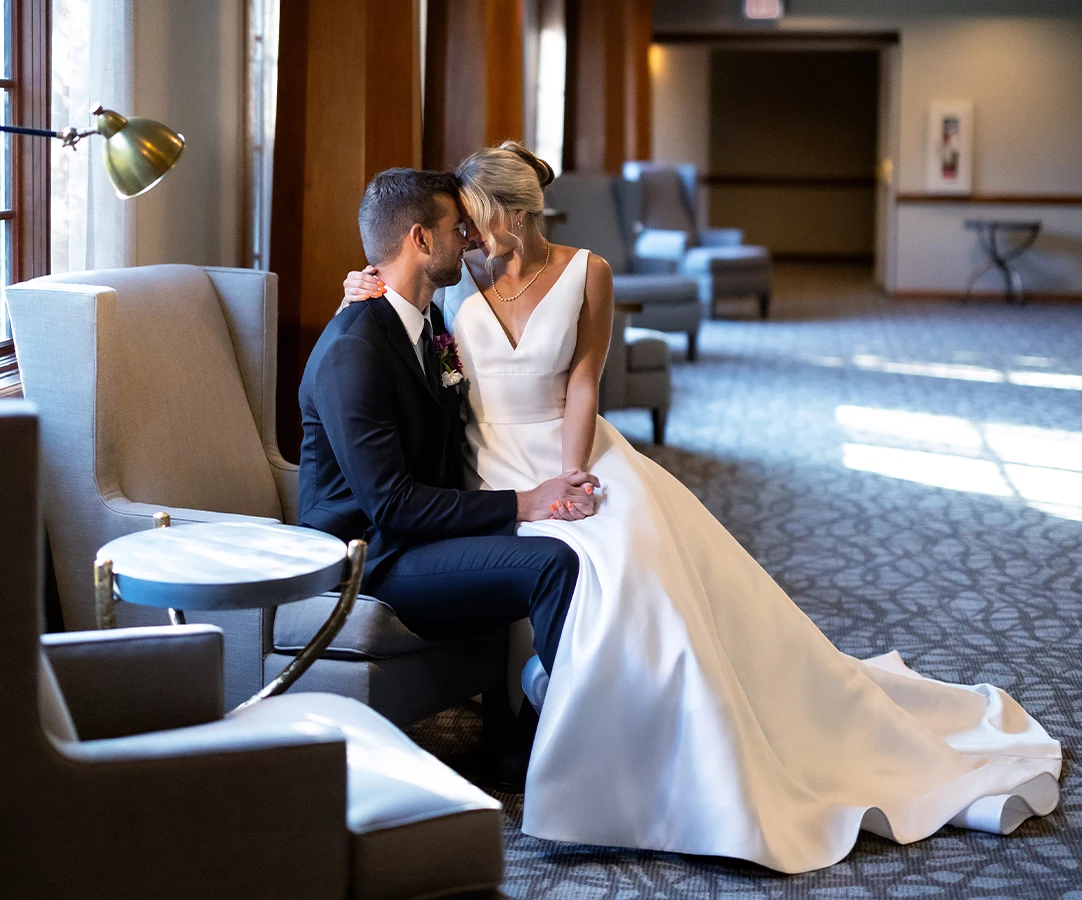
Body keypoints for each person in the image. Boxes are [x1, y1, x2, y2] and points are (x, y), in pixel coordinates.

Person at [340, 144, 1061, 874]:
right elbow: (406, 321)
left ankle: (642, 750)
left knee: (629, 566)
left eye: (478, 221)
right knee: (575, 574)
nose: (468, 236)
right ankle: (569, 740)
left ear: (516, 213)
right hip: (487, 471)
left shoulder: (587, 272)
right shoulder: (459, 278)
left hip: (571, 453)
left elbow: (584, 385)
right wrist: (363, 286)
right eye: (458, 226)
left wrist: (568, 477)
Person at [298, 168, 601, 786]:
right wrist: (524, 502)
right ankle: (538, 752)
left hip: (419, 539)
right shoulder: (355, 349)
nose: (466, 238)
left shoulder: (427, 322)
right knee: (550, 563)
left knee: (576, 546)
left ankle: (539, 725)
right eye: (454, 229)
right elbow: (395, 507)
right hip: (372, 557)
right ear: (419, 239)